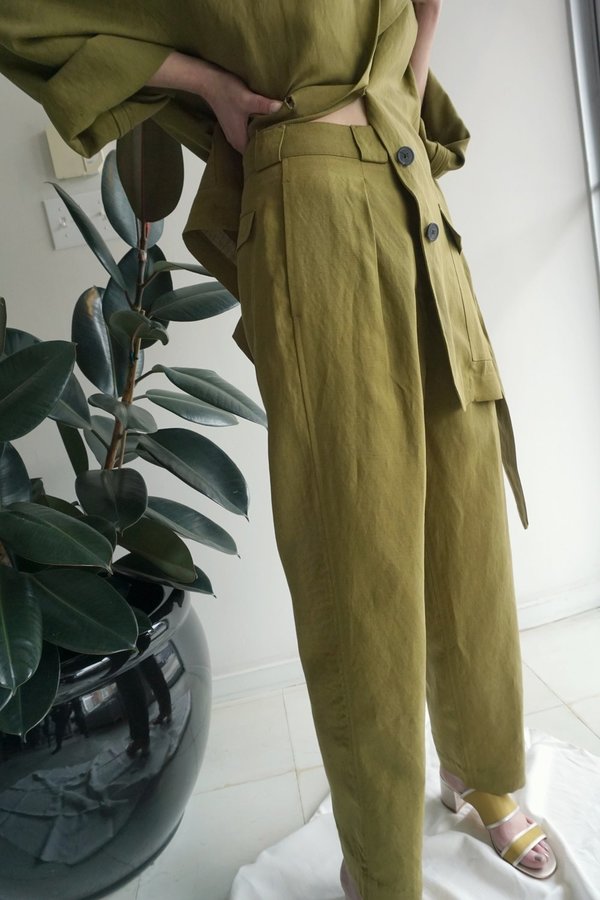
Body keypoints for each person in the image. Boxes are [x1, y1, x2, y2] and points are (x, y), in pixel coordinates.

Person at [0, 1, 557, 897]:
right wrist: (209, 85)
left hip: (410, 183)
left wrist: (412, 69)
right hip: (312, 218)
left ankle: (481, 769)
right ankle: (380, 866)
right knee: (361, 560)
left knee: (467, 520)